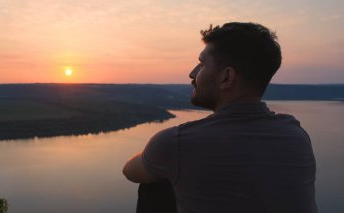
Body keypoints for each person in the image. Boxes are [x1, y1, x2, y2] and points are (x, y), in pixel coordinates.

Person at [123, 22, 317, 213]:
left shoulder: (177, 143)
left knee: (155, 184)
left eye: (201, 65)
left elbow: (130, 171)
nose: (192, 74)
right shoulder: (296, 135)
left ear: (226, 77)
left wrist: (161, 152)